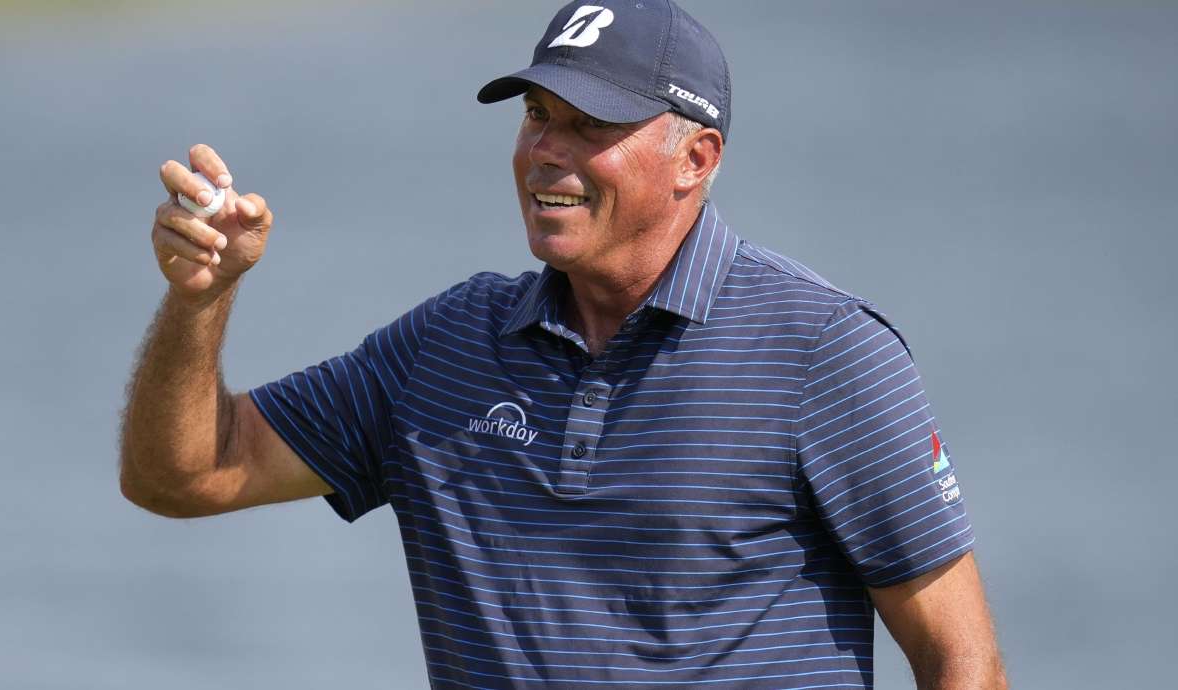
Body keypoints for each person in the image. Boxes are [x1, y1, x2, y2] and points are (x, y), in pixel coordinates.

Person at [120, 1, 1007, 687]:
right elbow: (183, 476)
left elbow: (962, 662)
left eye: (590, 125)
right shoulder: (446, 345)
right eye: (538, 115)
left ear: (696, 158)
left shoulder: (826, 352)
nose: (546, 150)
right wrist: (202, 300)